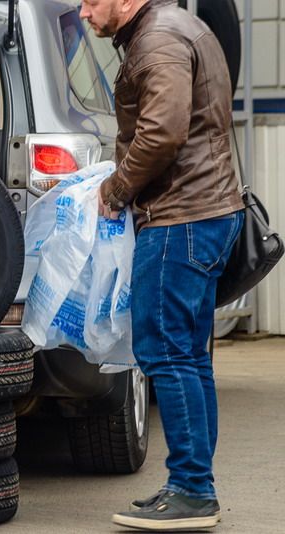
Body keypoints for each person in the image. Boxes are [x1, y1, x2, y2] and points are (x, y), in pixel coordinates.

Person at [79, 0, 244, 531]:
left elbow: (163, 132)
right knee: (189, 355)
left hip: (181, 217)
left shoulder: (157, 41)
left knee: (164, 351)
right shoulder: (174, 28)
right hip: (206, 211)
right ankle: (191, 483)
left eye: (90, 1)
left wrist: (117, 187)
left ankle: (193, 491)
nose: (84, 12)